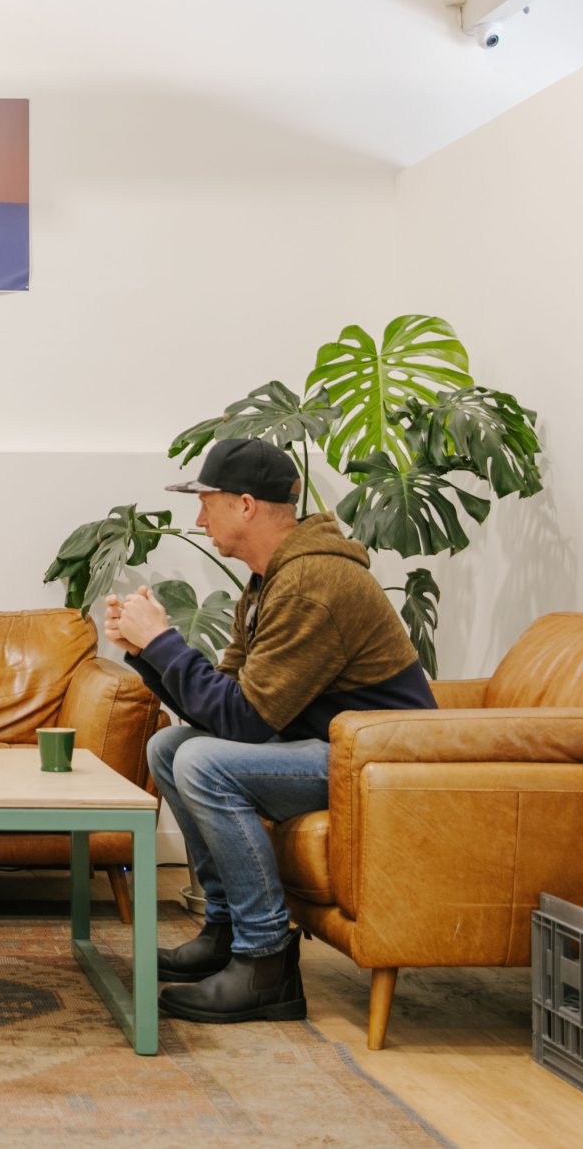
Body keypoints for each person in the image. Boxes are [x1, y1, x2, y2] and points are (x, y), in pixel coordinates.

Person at [106, 437, 435, 1024]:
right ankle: (226, 931)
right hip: (330, 747)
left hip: (384, 763)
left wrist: (164, 642)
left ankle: (265, 962)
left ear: (247, 505)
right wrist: (146, 652)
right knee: (169, 747)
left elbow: (244, 723)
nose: (200, 518)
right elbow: (221, 707)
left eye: (208, 502)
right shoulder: (268, 583)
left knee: (204, 762)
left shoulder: (312, 583)